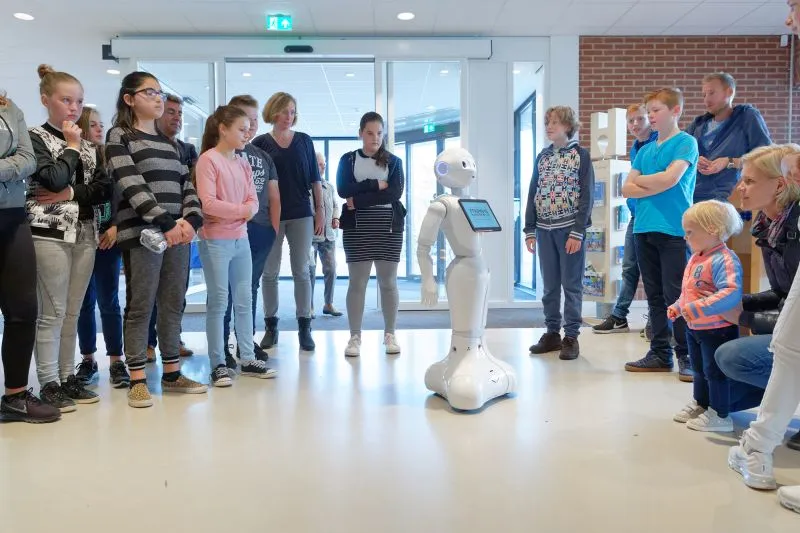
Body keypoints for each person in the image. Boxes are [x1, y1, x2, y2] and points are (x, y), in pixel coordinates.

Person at [106, 71, 207, 408]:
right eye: (150, 92)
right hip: (142, 236)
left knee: (172, 304)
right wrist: (166, 223)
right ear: (129, 99)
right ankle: (137, 378)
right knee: (140, 305)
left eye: (161, 93)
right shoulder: (120, 136)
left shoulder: (171, 143)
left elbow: (187, 186)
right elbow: (131, 185)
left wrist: (192, 220)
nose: (159, 98)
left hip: (178, 236)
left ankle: (172, 374)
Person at [28, 65, 112, 412]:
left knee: (73, 311)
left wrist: (69, 194)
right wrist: (73, 146)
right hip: (49, 233)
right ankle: (48, 382)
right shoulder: (35, 136)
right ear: (46, 100)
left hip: (86, 233)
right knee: (53, 310)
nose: (74, 108)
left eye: (78, 101)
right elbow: (51, 177)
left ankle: (66, 377)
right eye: (66, 100)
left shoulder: (93, 148)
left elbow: (102, 190)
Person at [715, 144, 800, 442]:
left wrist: (746, 317)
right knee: (719, 373)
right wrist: (737, 302)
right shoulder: (769, 226)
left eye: (749, 181)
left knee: (733, 356)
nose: (740, 188)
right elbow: (783, 294)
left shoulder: (794, 229)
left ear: (779, 184)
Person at [195, 105, 277, 386]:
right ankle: (217, 363)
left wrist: (242, 211)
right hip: (215, 239)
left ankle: (247, 355)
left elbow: (253, 201)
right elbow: (208, 204)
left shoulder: (242, 161)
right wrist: (242, 211)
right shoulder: (208, 160)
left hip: (241, 238)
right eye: (241, 129)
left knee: (245, 300)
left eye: (248, 129)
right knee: (218, 302)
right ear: (223, 129)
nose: (247, 134)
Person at [621, 88, 698, 380]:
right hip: (643, 228)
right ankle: (660, 353)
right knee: (653, 295)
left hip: (674, 230)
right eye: (649, 111)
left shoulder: (686, 143)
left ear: (675, 111)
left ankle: (686, 355)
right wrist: (652, 181)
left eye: (656, 110)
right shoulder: (645, 150)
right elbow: (626, 188)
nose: (650, 116)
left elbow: (671, 178)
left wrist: (643, 180)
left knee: (676, 294)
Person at [0, 91, 61, 423]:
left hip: (12, 215)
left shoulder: (9, 108)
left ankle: (15, 397)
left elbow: (28, 159)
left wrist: (6, 168)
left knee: (23, 310)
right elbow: (17, 163)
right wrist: (10, 168)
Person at [252, 92, 323, 352]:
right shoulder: (260, 142)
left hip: (301, 212)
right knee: (269, 272)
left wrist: (321, 210)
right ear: (273, 112)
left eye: (292, 111)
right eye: (283, 111)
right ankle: (272, 327)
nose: (288, 116)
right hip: (270, 215)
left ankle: (305, 326)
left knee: (302, 270)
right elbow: (256, 182)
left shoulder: (304, 140)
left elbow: (315, 178)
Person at [525, 106, 594, 361]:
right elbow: (533, 193)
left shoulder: (580, 156)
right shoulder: (542, 157)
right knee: (550, 285)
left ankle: (571, 336)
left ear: (568, 126)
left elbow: (586, 195)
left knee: (571, 285)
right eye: (547, 123)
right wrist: (529, 229)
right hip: (544, 230)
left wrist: (578, 231)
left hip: (569, 231)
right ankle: (552, 332)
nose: (549, 127)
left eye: (555, 122)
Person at [668, 200, 743, 432]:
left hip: (717, 329)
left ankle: (720, 415)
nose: (685, 237)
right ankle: (701, 404)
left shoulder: (725, 259)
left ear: (712, 229)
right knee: (699, 369)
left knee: (715, 372)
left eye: (689, 232)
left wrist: (698, 307)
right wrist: (679, 306)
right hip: (695, 328)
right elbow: (689, 292)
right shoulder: (696, 258)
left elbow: (730, 292)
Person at [337, 112, 405, 358]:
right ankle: (355, 336)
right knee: (358, 283)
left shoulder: (395, 162)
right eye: (369, 132)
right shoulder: (347, 160)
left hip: (388, 228)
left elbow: (394, 193)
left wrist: (359, 198)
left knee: (388, 283)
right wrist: (375, 185)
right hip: (357, 229)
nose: (375, 138)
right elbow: (344, 189)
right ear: (360, 133)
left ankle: (390, 333)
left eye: (379, 133)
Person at [222, 94, 280, 369]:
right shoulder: (220, 154)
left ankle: (247, 342)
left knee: (249, 290)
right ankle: (221, 345)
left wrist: (273, 230)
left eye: (255, 120)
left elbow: (274, 195)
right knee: (225, 292)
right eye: (246, 120)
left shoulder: (263, 156)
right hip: (229, 231)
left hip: (260, 231)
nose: (252, 125)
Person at [74, 107, 129, 388]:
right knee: (84, 302)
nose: (99, 129)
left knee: (109, 301)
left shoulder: (111, 158)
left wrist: (117, 227)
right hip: (80, 238)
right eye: (92, 124)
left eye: (100, 124)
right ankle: (87, 359)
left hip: (109, 239)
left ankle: (117, 361)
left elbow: (124, 196)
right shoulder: (73, 159)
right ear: (81, 127)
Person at [593, 103, 658, 335]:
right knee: (629, 267)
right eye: (631, 121)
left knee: (654, 272)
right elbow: (630, 186)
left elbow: (644, 183)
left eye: (640, 119)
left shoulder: (658, 143)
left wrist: (635, 187)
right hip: (636, 215)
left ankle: (657, 319)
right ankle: (620, 316)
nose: (635, 125)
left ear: (650, 119)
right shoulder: (636, 147)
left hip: (655, 216)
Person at [145, 93, 197, 362]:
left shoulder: (187, 151)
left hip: (182, 230)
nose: (176, 117)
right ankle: (147, 344)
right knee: (148, 291)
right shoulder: (143, 147)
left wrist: (189, 222)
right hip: (150, 230)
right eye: (171, 112)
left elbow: (192, 189)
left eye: (180, 113)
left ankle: (172, 339)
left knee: (177, 291)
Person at [686, 72, 771, 203]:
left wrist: (729, 162)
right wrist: (693, 160)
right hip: (692, 197)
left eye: (711, 93)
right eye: (704, 95)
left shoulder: (746, 117)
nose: (706, 100)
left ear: (729, 92)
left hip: (730, 199)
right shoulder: (698, 124)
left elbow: (766, 159)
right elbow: (678, 155)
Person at [309, 152, 342, 318]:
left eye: (324, 164)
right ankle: (309, 307)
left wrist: (335, 217)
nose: (323, 167)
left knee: (331, 269)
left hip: (328, 236)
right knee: (309, 272)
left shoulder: (329, 187)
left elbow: (336, 206)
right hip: (310, 237)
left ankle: (328, 304)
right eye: (320, 164)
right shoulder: (305, 187)